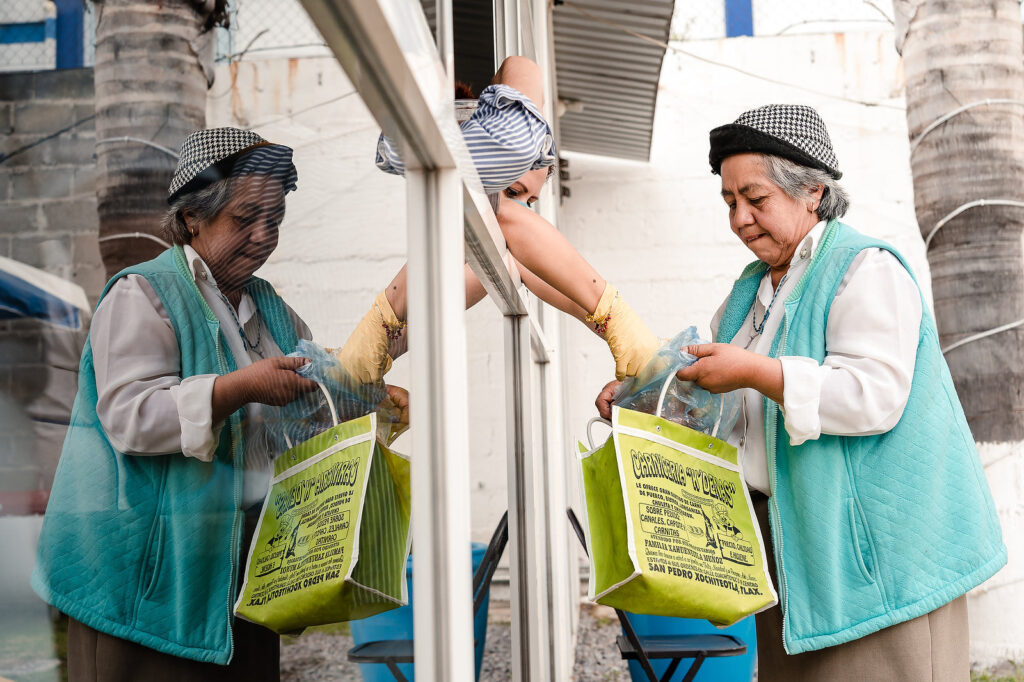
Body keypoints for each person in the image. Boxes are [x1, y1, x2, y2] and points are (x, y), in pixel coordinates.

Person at [596, 104, 1006, 681]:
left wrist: (753, 371)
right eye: (729, 202)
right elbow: (734, 416)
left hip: (872, 563)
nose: (740, 219)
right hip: (789, 552)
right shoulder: (748, 295)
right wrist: (645, 400)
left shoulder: (863, 268)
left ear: (812, 191)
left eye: (755, 199)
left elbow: (873, 396)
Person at [31, 128, 404, 681]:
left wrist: (365, 400)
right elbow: (132, 418)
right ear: (191, 220)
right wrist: (241, 387)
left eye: (274, 219)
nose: (263, 235)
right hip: (150, 583)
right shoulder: (145, 294)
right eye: (245, 218)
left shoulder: (269, 308)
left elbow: (301, 410)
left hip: (240, 579)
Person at [341, 57, 659, 384]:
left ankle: (355, 362)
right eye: (513, 190)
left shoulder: (474, 190)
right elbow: (520, 64)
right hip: (449, 127)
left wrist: (621, 335)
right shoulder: (499, 148)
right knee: (496, 217)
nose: (519, 208)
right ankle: (359, 355)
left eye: (528, 200)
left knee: (511, 261)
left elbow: (548, 278)